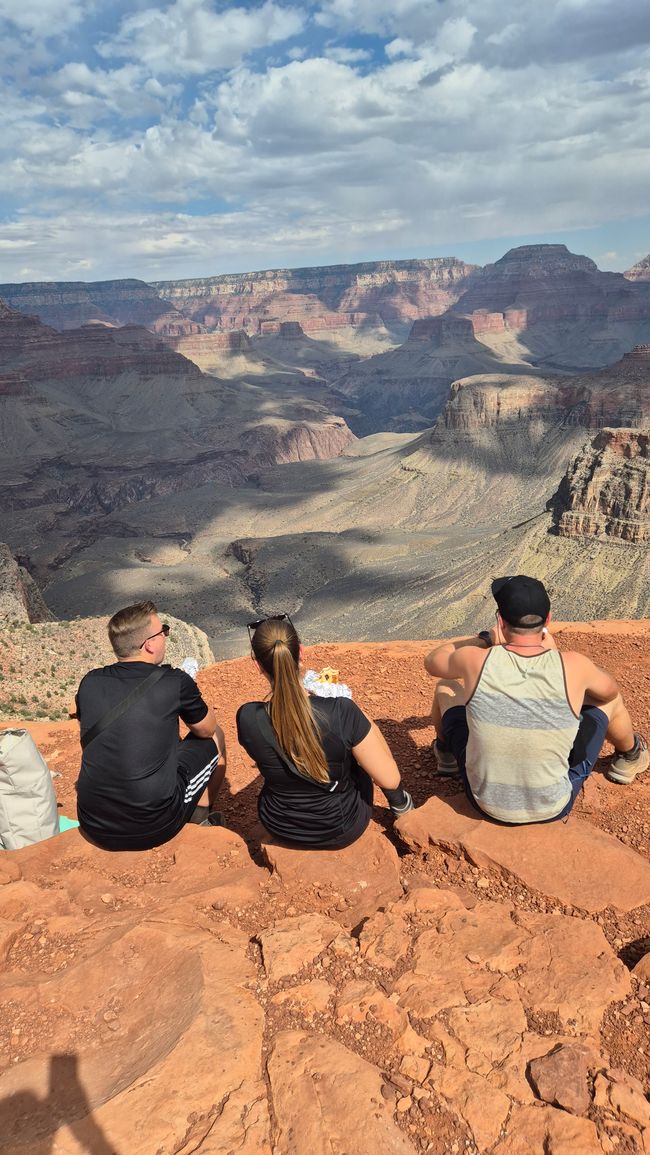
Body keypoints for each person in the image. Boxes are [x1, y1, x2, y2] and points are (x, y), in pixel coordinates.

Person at [425, 575, 648, 825]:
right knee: (610, 704)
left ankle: (446, 756)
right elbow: (608, 692)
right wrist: (554, 655)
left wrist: (485, 640)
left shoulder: (474, 660)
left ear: (501, 620)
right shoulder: (574, 665)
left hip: (483, 802)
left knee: (446, 687)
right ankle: (630, 756)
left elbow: (433, 661)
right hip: (551, 807)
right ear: (548, 620)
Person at [236, 614, 412, 849]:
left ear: (257, 665)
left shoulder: (247, 717)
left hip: (280, 825)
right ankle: (402, 806)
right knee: (357, 757)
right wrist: (355, 711)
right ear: (301, 652)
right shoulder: (340, 711)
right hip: (341, 826)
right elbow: (389, 778)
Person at [75, 601, 226, 850]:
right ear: (149, 643)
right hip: (155, 824)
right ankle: (201, 817)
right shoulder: (174, 681)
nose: (165, 637)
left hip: (93, 823)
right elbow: (206, 729)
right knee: (215, 737)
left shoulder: (89, 682)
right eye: (163, 632)